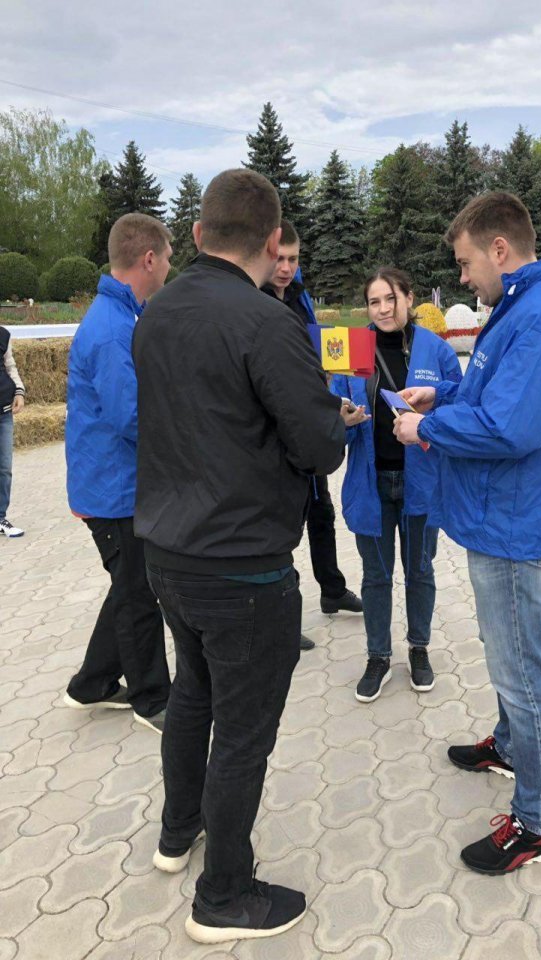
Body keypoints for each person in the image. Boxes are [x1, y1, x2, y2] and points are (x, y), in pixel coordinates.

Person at [133, 169, 345, 944]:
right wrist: (337, 418)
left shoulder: (154, 314)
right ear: (269, 243)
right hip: (241, 565)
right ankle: (223, 893)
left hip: (168, 551)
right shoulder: (265, 323)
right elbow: (319, 446)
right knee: (243, 733)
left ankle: (176, 831)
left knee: (193, 693)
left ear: (194, 236)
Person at [394, 192, 541, 875]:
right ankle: (511, 746)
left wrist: (426, 429)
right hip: (498, 512)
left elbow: (512, 428)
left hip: (514, 520)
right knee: (504, 646)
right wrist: (441, 398)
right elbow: (491, 398)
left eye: (465, 262)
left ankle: (538, 824)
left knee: (521, 668)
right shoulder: (521, 306)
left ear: (499, 251)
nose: (461, 277)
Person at [330, 268, 461, 702]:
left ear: (409, 298)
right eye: (374, 302)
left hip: (420, 481)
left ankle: (419, 649)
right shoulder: (352, 349)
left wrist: (434, 402)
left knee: (420, 570)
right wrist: (343, 420)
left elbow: (458, 404)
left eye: (391, 299)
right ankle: (379, 656)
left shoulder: (436, 350)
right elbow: (334, 415)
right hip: (371, 483)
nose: (383, 309)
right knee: (376, 575)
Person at [64, 213, 173, 732]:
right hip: (113, 492)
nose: (171, 266)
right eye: (169, 257)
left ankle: (92, 684)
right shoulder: (110, 331)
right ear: (148, 259)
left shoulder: (122, 315)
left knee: (128, 584)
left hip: (116, 484)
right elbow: (132, 417)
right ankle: (152, 700)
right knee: (137, 595)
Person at [262, 219, 362, 651]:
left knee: (322, 512)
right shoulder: (255, 301)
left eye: (293, 259)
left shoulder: (299, 298)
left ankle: (332, 589)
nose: (286, 268)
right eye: (279, 259)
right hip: (279, 432)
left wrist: (334, 393)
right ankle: (281, 616)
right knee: (287, 522)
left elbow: (319, 353)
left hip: (309, 421)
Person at [0, 326, 26, 537]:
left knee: (4, 468)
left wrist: (19, 391)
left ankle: (0, 518)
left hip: (4, 413)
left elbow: (10, 366)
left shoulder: (3, 335)